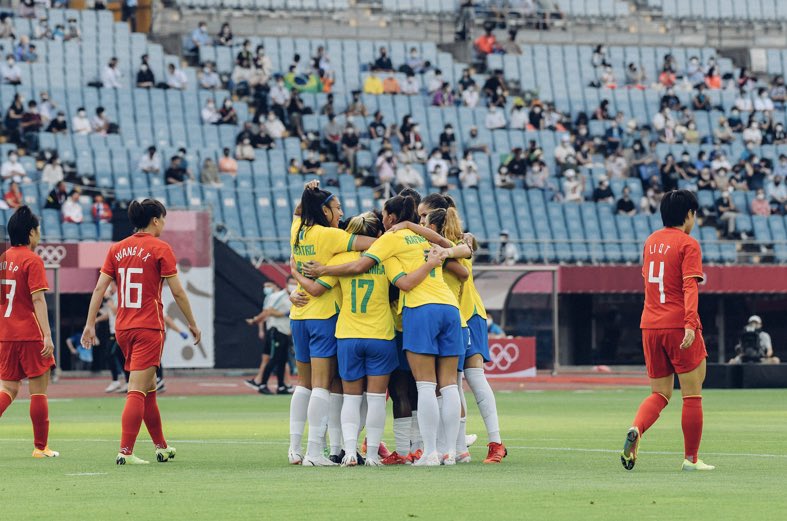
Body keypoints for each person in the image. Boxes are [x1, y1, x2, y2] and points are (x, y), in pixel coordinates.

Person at [301, 194, 467, 466]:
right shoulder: (424, 238)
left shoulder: (387, 245)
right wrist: (415, 228)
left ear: (390, 217)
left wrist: (322, 268)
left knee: (424, 385)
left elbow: (360, 265)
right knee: (448, 386)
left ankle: (425, 453)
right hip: (449, 308)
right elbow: (452, 248)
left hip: (412, 311)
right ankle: (451, 450)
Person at [81, 199, 201, 465]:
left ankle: (161, 446)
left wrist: (90, 324)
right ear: (156, 220)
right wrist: (192, 322)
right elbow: (178, 291)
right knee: (137, 389)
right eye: (164, 219)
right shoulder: (161, 248)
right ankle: (125, 451)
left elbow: (100, 289)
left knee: (148, 388)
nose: (164, 224)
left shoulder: (117, 248)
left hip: (123, 328)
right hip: (148, 326)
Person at [285, 183, 379, 466]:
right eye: (336, 208)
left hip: (298, 316)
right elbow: (374, 244)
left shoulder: (297, 229)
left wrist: (296, 275)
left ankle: (294, 449)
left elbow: (298, 211)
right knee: (322, 385)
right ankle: (315, 452)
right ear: (324, 210)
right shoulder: (331, 236)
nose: (340, 213)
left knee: (303, 384)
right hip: (324, 317)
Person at [621, 190, 713, 472]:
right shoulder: (688, 244)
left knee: (660, 393)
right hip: (677, 323)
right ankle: (691, 459)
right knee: (692, 393)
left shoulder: (651, 242)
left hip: (650, 323)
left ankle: (637, 428)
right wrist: (689, 322)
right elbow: (689, 286)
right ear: (688, 215)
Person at [415, 194, 506, 463]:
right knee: (450, 383)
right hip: (449, 318)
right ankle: (458, 446)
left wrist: (453, 248)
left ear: (437, 216)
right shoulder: (437, 242)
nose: (419, 221)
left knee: (474, 378)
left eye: (423, 216)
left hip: (468, 313)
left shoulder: (453, 241)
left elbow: (467, 250)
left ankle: (496, 442)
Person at [0, 207, 59, 458]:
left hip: (6, 333)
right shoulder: (32, 260)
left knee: (8, 390)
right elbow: (38, 300)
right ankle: (40, 447)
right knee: (38, 391)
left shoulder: (3, 258)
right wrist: (47, 335)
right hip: (30, 332)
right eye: (38, 230)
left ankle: (41, 447)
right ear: (31, 232)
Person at [245, 279, 294, 395]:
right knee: (274, 359)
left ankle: (281, 386)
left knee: (283, 360)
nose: (294, 286)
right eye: (292, 283)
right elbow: (268, 311)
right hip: (277, 330)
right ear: (286, 284)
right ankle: (262, 384)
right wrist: (256, 321)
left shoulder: (294, 296)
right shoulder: (278, 296)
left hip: (286, 331)